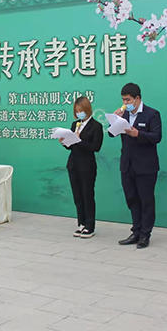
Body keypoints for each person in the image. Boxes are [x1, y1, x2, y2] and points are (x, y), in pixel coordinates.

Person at [113, 83, 162, 249]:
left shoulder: (152, 114)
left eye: (128, 100)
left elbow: (156, 136)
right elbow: (112, 134)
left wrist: (138, 134)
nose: (125, 103)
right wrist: (116, 120)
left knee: (146, 201)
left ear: (137, 98)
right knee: (132, 199)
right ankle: (136, 231)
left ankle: (145, 235)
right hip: (127, 165)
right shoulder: (124, 115)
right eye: (123, 100)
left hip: (146, 166)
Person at [60, 96, 103, 238]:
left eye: (81, 110)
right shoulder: (75, 125)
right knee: (77, 196)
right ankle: (81, 224)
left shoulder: (96, 126)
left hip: (87, 166)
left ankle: (90, 226)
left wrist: (78, 140)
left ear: (87, 109)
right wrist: (64, 142)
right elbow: (71, 146)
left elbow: (96, 147)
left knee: (87, 195)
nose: (79, 113)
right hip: (74, 164)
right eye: (77, 111)